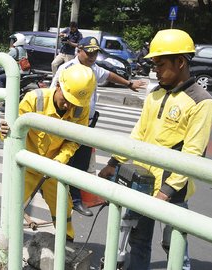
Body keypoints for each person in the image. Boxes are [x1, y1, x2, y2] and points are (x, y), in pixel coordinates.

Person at [98, 29, 212, 270]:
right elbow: (138, 135)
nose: (156, 71)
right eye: (154, 65)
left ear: (180, 62)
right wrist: (113, 163)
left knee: (173, 246)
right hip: (142, 180)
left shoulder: (202, 102)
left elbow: (192, 155)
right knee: (138, 241)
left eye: (160, 64)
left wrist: (165, 192)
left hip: (173, 191)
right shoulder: (155, 93)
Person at [51, 36, 147, 217]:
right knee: (64, 160)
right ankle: (63, 197)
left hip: (86, 123)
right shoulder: (67, 69)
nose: (92, 56)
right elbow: (53, 92)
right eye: (89, 52)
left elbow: (108, 75)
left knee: (81, 163)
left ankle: (76, 200)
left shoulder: (93, 68)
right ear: (78, 50)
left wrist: (128, 83)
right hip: (68, 122)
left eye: (95, 53)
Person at [0, 64, 97, 241]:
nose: (68, 106)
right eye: (66, 99)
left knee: (63, 207)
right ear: (58, 85)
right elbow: (10, 133)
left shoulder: (80, 110)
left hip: (53, 165)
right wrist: (5, 131)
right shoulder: (34, 99)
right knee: (13, 207)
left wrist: (60, 160)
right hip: (26, 167)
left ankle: (66, 242)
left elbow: (75, 140)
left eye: (74, 102)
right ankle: (7, 246)